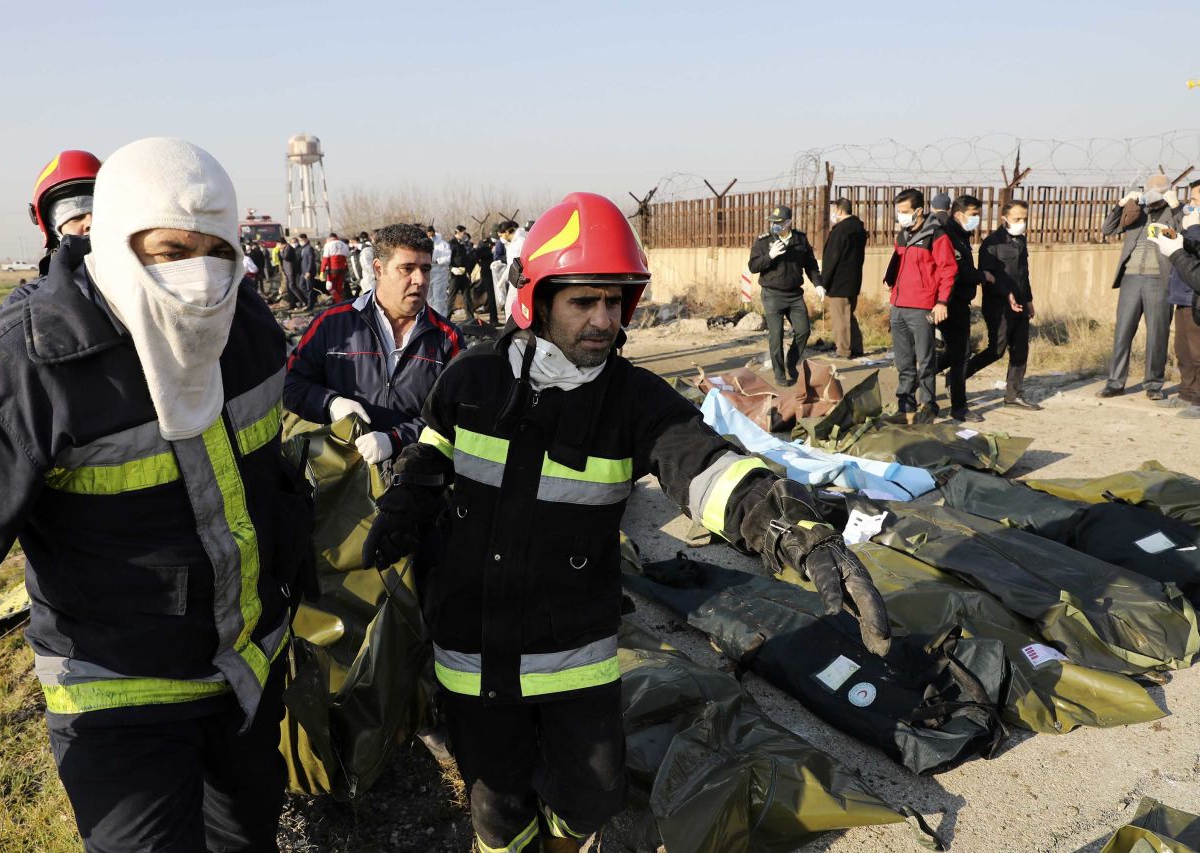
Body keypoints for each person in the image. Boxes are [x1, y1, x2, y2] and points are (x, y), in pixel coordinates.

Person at [361, 192, 890, 853]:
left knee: (588, 798)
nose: (604, 319)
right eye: (585, 301)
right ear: (538, 298)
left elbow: (707, 468)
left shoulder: (635, 401)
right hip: (473, 654)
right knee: (497, 813)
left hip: (574, 655)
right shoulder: (472, 377)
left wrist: (789, 526)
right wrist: (409, 497)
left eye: (615, 301)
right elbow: (436, 444)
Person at [0, 137, 304, 851]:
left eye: (214, 249)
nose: (198, 276)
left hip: (244, 675)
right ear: (113, 238)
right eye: (168, 250)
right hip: (118, 693)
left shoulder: (245, 325)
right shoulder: (23, 369)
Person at [284, 223, 464, 464]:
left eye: (425, 269)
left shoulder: (447, 337)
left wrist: (397, 439)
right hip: (343, 480)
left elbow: (454, 415)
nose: (419, 280)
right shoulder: (332, 325)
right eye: (407, 269)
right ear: (378, 269)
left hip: (417, 483)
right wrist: (330, 403)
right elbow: (292, 385)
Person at [1098, 174, 1183, 399]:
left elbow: (1185, 233)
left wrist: (1176, 208)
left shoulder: (1174, 211)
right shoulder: (1136, 211)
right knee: (1123, 332)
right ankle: (1115, 383)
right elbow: (1108, 229)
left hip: (1160, 279)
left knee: (1157, 333)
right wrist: (1121, 205)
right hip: (1131, 278)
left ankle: (1153, 385)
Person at [883, 188, 955, 422]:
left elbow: (948, 269)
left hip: (922, 306)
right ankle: (905, 407)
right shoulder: (902, 235)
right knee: (903, 362)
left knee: (925, 360)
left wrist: (942, 301)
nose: (901, 216)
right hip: (899, 306)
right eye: (899, 212)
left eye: (905, 212)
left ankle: (928, 406)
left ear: (919, 211)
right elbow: (899, 262)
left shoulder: (936, 234)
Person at [3, 150, 104, 309]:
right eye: (75, 217)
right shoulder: (27, 302)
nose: (90, 223)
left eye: (99, 214)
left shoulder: (139, 283)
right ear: (51, 230)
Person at [965, 200, 1040, 411]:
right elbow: (989, 279)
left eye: (1024, 218)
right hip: (999, 308)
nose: (1022, 222)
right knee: (996, 350)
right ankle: (958, 377)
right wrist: (1007, 296)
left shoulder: (1021, 241)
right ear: (1004, 218)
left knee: (1020, 351)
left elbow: (1024, 275)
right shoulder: (991, 244)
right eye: (1017, 219)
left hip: (1021, 306)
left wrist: (1029, 300)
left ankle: (1013, 395)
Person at [747, 205, 822, 385]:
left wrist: (818, 284)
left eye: (779, 222)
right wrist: (770, 256)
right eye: (773, 222)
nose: (775, 225)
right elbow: (753, 266)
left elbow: (811, 265)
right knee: (776, 335)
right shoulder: (763, 241)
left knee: (804, 330)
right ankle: (779, 374)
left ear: (789, 222)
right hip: (772, 295)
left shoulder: (800, 240)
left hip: (795, 294)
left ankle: (791, 361)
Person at [1148, 191, 1200, 419]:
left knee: (1199, 354)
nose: (1190, 204)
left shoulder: (1196, 227)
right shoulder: (1194, 226)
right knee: (1183, 351)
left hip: (1197, 299)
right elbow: (1192, 248)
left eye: (1195, 200)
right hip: (1181, 296)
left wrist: (1193, 230)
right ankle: (1186, 394)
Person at [937, 194, 985, 421]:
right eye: (973, 215)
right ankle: (959, 407)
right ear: (958, 214)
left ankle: (918, 380)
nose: (977, 219)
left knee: (954, 352)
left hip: (954, 301)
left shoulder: (960, 234)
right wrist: (982, 276)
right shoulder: (950, 235)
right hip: (950, 302)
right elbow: (960, 270)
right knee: (961, 354)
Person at [820, 198, 867, 359]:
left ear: (839, 210)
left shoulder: (841, 230)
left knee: (840, 317)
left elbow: (832, 258)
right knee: (848, 315)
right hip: (853, 279)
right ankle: (856, 347)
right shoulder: (858, 228)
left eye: (835, 210)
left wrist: (823, 281)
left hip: (839, 281)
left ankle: (843, 350)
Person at [426, 226, 452, 316]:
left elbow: (447, 258)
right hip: (428, 272)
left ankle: (441, 320)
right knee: (428, 299)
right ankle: (431, 320)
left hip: (439, 273)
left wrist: (436, 261)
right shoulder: (425, 243)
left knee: (439, 299)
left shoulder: (443, 244)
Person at [474, 233, 499, 327]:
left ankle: (494, 318)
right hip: (487, 273)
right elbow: (477, 257)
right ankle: (493, 320)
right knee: (491, 296)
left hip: (494, 272)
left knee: (494, 296)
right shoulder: (484, 247)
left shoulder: (494, 245)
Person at [319, 231, 351, 303]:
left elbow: (325, 260)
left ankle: (339, 301)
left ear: (330, 238)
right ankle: (340, 301)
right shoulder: (344, 245)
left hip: (332, 269)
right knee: (339, 286)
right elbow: (348, 258)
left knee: (329, 287)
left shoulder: (328, 245)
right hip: (343, 269)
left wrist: (322, 271)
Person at [298, 232, 319, 310]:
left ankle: (310, 305)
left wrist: (308, 271)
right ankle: (312, 299)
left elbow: (311, 261)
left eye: (301, 240)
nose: (300, 241)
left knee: (309, 288)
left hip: (308, 272)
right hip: (303, 271)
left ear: (305, 239)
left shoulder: (309, 248)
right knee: (301, 286)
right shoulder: (303, 248)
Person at [280, 236, 301, 306]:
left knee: (293, 286)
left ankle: (304, 301)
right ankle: (293, 303)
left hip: (293, 270)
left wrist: (281, 251)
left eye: (294, 242)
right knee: (289, 287)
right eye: (292, 242)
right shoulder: (287, 248)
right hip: (288, 271)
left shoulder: (289, 248)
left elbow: (285, 257)